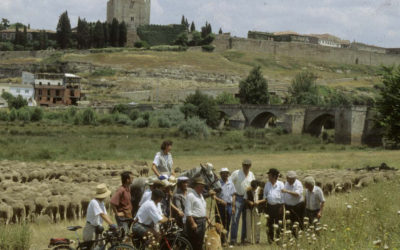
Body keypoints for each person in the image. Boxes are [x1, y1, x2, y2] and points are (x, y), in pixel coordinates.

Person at [230, 159, 255, 245]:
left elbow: (253, 185)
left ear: (250, 166)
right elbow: (230, 183)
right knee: (235, 219)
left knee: (246, 220)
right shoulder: (236, 173)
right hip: (238, 197)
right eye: (245, 165)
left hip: (247, 199)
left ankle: (243, 239)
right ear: (242, 165)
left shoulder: (251, 174)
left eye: (248, 165)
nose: (246, 167)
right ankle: (233, 240)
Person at [258, 168, 284, 243]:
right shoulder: (267, 184)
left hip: (278, 206)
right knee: (270, 224)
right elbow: (265, 196)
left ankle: (278, 239)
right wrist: (260, 202)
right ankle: (270, 240)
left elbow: (283, 197)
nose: (268, 177)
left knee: (279, 224)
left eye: (270, 175)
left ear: (274, 176)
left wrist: (282, 207)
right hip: (269, 207)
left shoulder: (280, 184)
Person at [212, 168, 236, 245]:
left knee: (227, 223)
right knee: (219, 223)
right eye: (223, 173)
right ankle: (218, 240)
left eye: (226, 173)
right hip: (219, 206)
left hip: (229, 205)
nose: (225, 175)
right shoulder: (217, 183)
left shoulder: (231, 183)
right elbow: (213, 196)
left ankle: (225, 240)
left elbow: (234, 195)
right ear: (220, 174)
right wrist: (220, 201)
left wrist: (233, 206)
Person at [185, 177, 209, 250]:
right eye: (201, 186)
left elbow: (202, 208)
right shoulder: (190, 195)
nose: (203, 188)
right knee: (194, 242)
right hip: (195, 221)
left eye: (203, 186)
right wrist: (192, 223)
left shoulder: (200, 195)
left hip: (202, 221)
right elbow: (188, 212)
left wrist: (207, 218)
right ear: (196, 186)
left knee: (200, 242)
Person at [244, 180, 262, 244]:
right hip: (249, 209)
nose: (254, 189)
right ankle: (249, 240)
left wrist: (259, 202)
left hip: (258, 209)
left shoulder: (261, 190)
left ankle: (257, 240)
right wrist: (249, 202)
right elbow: (245, 199)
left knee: (257, 224)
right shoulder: (248, 190)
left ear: (257, 186)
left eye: (255, 187)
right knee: (249, 224)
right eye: (252, 187)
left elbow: (265, 199)